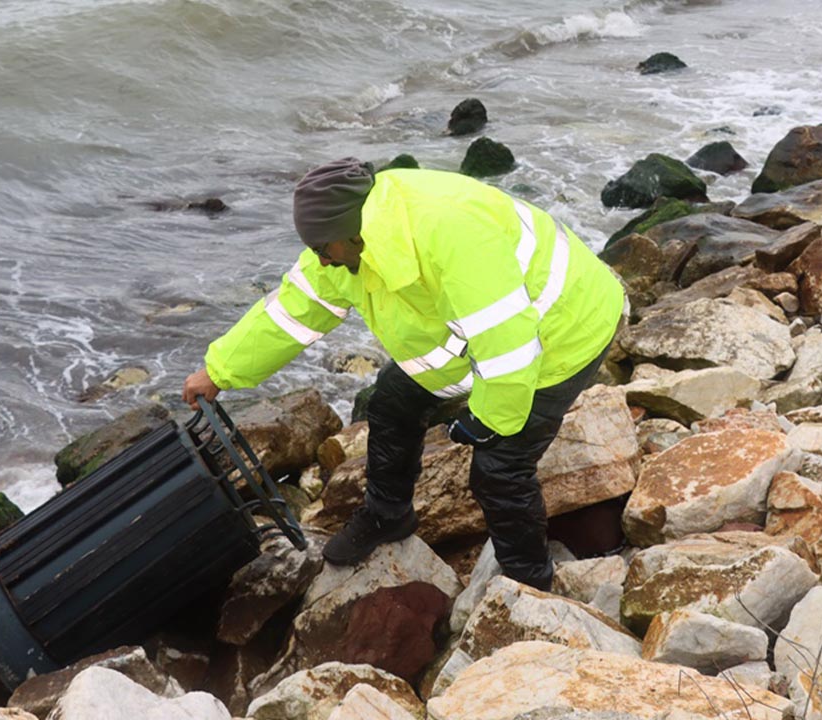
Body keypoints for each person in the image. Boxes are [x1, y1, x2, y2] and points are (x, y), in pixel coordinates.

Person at [181, 158, 623, 590]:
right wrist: (218, 372)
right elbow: (290, 315)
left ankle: (529, 588)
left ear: (349, 232)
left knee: (499, 469)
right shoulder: (349, 246)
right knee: (391, 401)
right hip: (487, 336)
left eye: (322, 249)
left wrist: (490, 419)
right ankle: (388, 513)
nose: (321, 261)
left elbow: (508, 341)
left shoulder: (449, 233)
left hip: (565, 331)